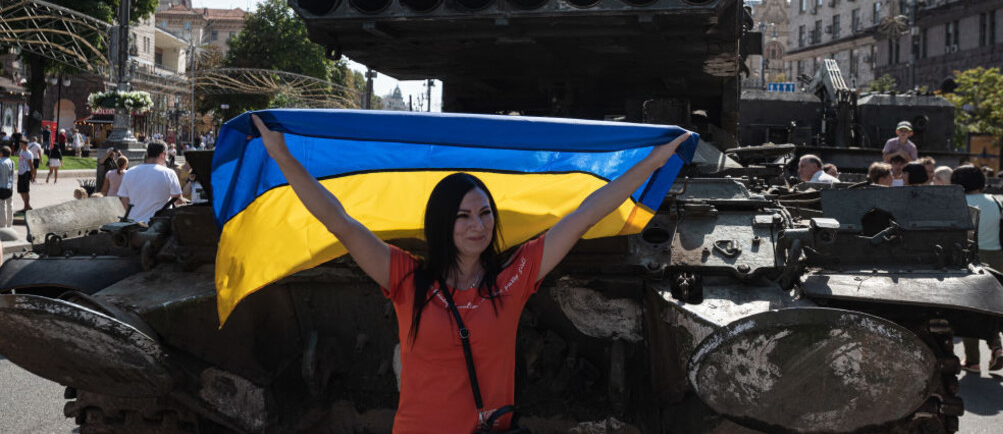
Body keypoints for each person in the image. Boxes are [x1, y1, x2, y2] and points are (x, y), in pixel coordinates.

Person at [250, 114, 688, 432]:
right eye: (463, 216)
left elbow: (585, 214)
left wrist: (653, 161)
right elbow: (340, 222)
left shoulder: (512, 279)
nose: (477, 225)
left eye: (484, 213)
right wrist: (282, 157)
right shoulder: (406, 278)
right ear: (443, 224)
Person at [951, 165, 1003, 373]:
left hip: (970, 257)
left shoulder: (959, 203)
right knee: (991, 307)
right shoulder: (995, 201)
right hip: (996, 256)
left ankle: (973, 361)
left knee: (970, 309)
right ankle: (996, 346)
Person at [117, 141, 183, 223]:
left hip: (134, 225)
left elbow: (124, 198)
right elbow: (178, 200)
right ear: (163, 155)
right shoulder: (168, 173)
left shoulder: (129, 172)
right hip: (159, 226)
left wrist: (133, 215)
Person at [16, 139, 32, 212]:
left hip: (25, 173)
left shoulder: (28, 153)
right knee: (21, 191)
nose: (20, 146)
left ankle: (26, 207)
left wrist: (32, 175)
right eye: (20, 144)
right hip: (20, 173)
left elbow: (31, 165)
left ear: (26, 145)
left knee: (26, 191)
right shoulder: (21, 151)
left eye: (22, 144)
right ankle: (27, 205)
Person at [0, 146, 14, 228]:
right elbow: (12, 175)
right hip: (9, 187)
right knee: (10, 205)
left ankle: (2, 225)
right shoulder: (11, 162)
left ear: (1, 153)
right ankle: (9, 224)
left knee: (1, 206)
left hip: (1, 187)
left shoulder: (0, 162)